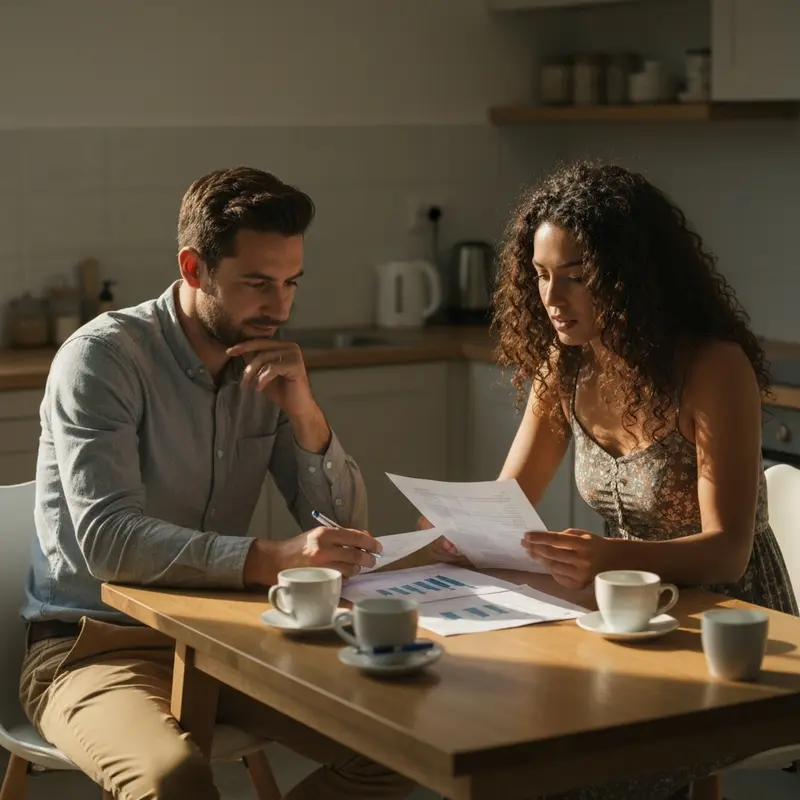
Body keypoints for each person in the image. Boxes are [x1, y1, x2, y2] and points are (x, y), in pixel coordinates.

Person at [19, 166, 413, 800]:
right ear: (195, 268)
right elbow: (110, 542)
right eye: (257, 283)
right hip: (92, 649)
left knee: (403, 747)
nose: (279, 308)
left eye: (290, 284)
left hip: (224, 642)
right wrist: (272, 558)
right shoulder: (102, 360)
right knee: (173, 782)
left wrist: (306, 413)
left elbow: (343, 529)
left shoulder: (269, 361)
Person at [427, 161, 798, 800]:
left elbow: (729, 550)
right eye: (541, 276)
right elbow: (508, 499)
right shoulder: (566, 365)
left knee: (581, 770)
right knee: (509, 731)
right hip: (625, 611)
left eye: (577, 278)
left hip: (732, 624)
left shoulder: (712, 366)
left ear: (633, 278)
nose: (552, 298)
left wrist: (605, 557)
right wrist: (451, 536)